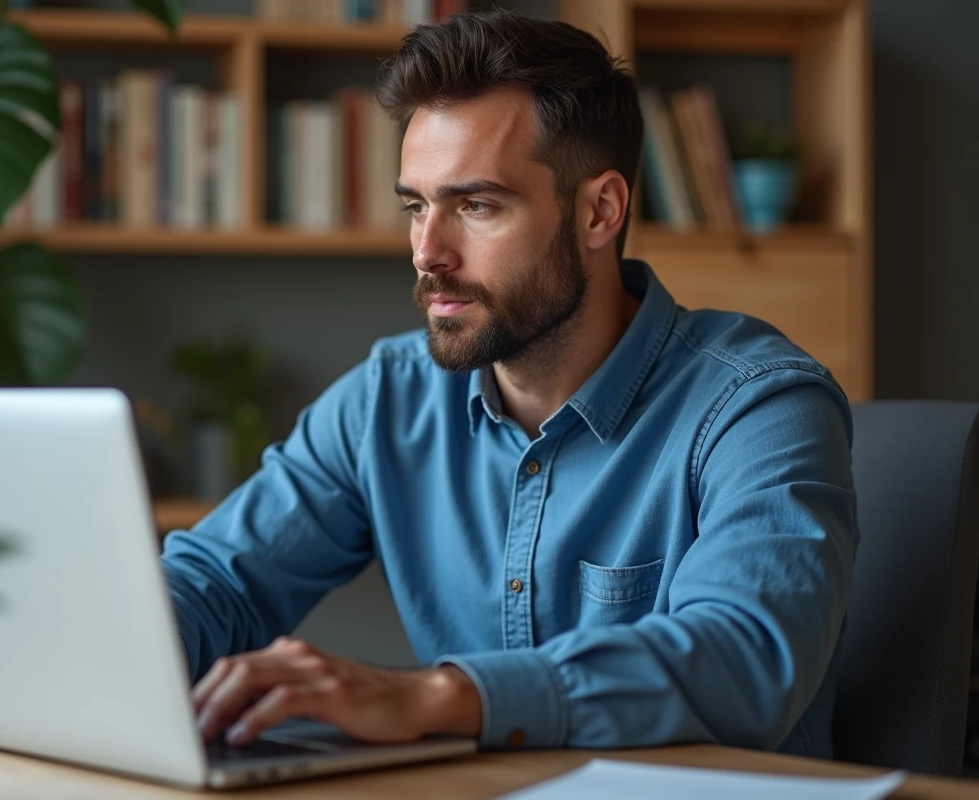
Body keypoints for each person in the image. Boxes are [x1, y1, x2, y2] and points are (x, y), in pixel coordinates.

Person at [161, 10, 857, 758]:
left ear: (600, 210)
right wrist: (112, 643)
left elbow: (746, 658)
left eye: (476, 205)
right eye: (416, 206)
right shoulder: (388, 400)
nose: (428, 252)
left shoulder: (758, 404)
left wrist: (434, 696)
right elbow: (216, 581)